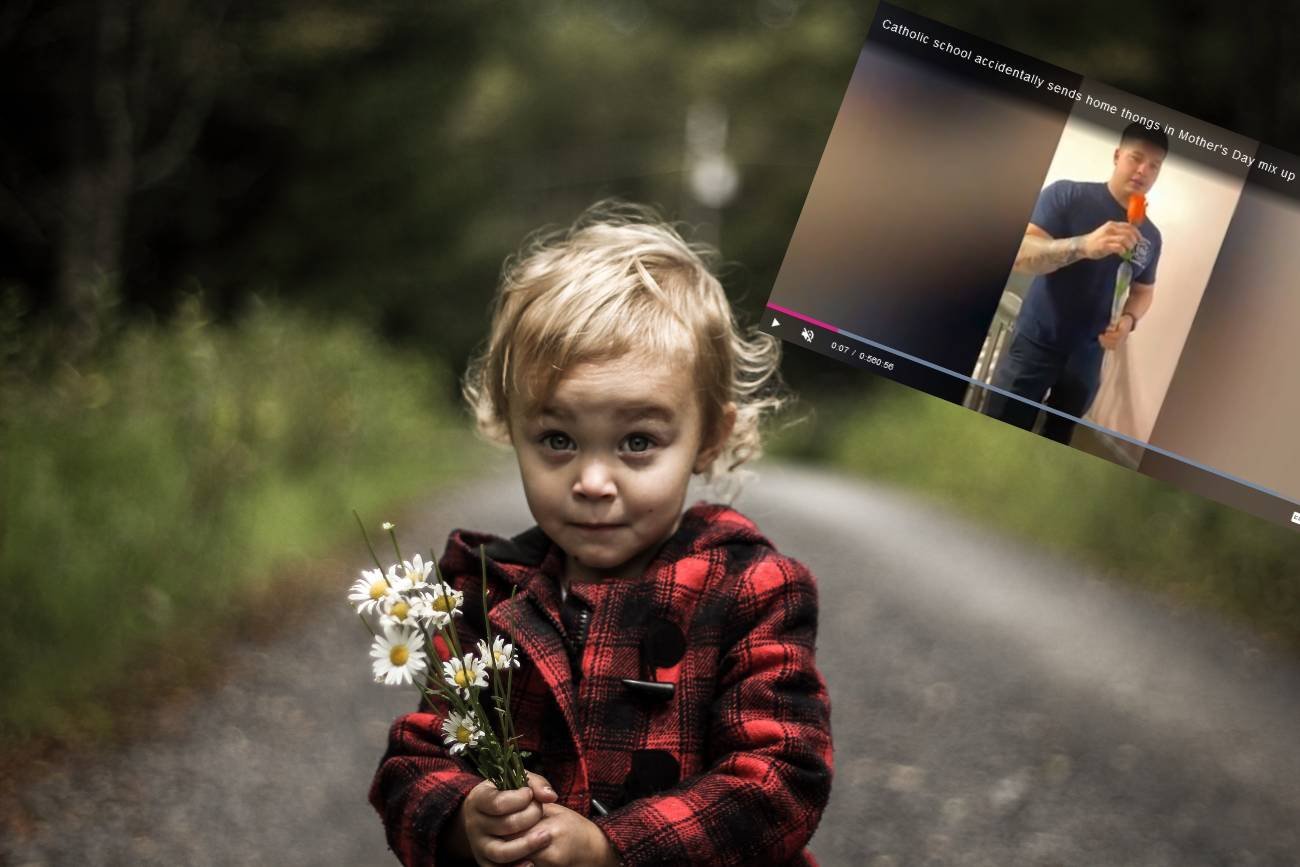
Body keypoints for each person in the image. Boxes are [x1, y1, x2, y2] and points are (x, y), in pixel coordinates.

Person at [369, 202, 834, 867]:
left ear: (709, 438)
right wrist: (463, 814)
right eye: (557, 439)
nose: (592, 480)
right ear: (510, 425)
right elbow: (412, 760)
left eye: (637, 441)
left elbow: (782, 778)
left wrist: (615, 848)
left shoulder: (750, 589)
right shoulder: (483, 590)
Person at [986, 121, 1165, 443]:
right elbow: (1020, 254)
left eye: (1154, 166)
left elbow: (1144, 291)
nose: (1143, 170)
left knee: (1058, 438)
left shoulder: (1151, 236)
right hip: (1035, 344)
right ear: (1116, 155)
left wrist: (1128, 320)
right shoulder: (1067, 195)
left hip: (1089, 356)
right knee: (998, 429)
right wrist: (1082, 245)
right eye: (1135, 157)